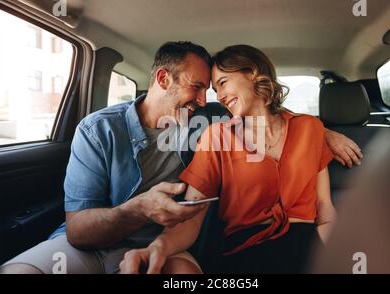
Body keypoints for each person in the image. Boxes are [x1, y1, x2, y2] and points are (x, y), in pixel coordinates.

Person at [0, 41, 361, 274]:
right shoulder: (208, 132)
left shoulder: (202, 123)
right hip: (99, 246)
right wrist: (148, 225)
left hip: (300, 247)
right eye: (202, 87)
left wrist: (320, 131)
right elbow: (191, 212)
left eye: (218, 85)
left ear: (253, 75)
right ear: (162, 78)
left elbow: (323, 208)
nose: (209, 100)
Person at [120, 45, 339, 274]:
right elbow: (191, 217)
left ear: (252, 73)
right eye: (216, 89)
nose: (220, 97)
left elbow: (324, 210)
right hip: (247, 254)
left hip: (310, 250)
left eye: (223, 83)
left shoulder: (310, 128)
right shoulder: (217, 135)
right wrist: (158, 248)